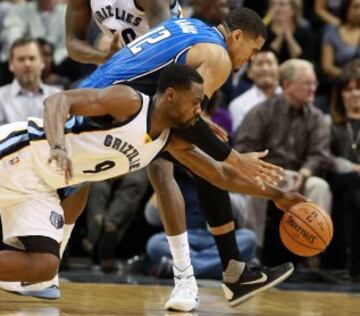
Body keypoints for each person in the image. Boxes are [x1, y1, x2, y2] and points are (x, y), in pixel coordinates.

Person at [0, 63, 305, 307]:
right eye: (196, 102)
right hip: (21, 153)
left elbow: (220, 175)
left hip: (41, 189)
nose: (199, 111)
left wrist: (278, 196)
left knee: (44, 265)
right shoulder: (129, 102)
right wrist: (57, 147)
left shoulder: (166, 141)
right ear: (170, 95)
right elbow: (58, 100)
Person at [70, 7, 296, 311]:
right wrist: (240, 161)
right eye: (253, 50)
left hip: (89, 98)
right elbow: (193, 129)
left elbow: (186, 111)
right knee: (207, 162)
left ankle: (232, 270)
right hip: (116, 114)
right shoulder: (219, 56)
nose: (252, 58)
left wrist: (200, 123)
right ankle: (218, 273)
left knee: (201, 156)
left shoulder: (190, 26)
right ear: (237, 36)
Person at [234, 59, 332, 261]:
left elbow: (320, 154)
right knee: (258, 185)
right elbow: (243, 149)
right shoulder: (262, 111)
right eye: (306, 83)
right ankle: (254, 252)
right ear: (287, 85)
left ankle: (313, 254)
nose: (312, 88)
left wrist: (304, 173)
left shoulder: (317, 117)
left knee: (319, 186)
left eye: (314, 83)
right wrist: (266, 170)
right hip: (269, 174)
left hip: (301, 175)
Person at [328, 60, 360, 280]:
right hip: (337, 181)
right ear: (340, 94)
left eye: (358, 88)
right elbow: (326, 157)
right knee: (352, 186)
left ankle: (353, 263)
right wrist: (353, 167)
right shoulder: (329, 123)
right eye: (348, 89)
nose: (354, 94)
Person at [0, 38, 61, 125]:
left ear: (42, 62)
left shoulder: (57, 97)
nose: (27, 64)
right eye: (21, 59)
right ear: (11, 65)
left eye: (32, 58)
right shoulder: (1, 98)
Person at [229, 49, 281, 132]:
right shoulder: (238, 104)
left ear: (278, 69)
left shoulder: (293, 99)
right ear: (249, 72)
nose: (265, 68)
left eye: (270, 63)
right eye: (259, 64)